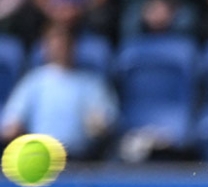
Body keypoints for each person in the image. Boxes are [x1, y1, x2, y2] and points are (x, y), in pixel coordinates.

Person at [0, 22, 119, 160]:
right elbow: (11, 121)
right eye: (54, 43)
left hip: (81, 159)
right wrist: (14, 128)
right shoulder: (34, 81)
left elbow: (106, 120)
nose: (59, 48)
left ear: (73, 46)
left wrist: (100, 124)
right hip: (41, 158)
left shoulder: (91, 83)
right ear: (46, 47)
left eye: (64, 43)